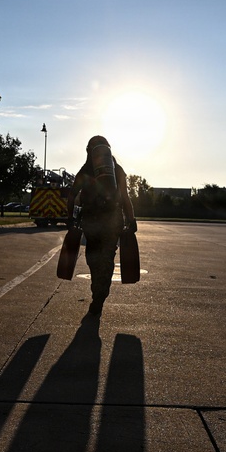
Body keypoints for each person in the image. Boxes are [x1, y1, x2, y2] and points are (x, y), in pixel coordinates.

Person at [69, 136, 136, 323]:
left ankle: (97, 294)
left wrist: (69, 218)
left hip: (91, 222)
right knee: (106, 260)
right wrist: (132, 219)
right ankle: (100, 296)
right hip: (112, 222)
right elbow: (125, 197)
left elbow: (72, 195)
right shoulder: (117, 170)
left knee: (93, 259)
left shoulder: (85, 170)